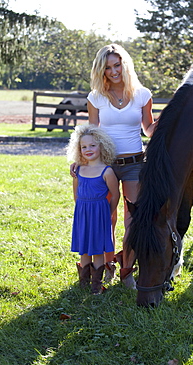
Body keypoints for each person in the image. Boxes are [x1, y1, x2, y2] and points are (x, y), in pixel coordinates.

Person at [70, 44, 156, 288]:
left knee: (133, 217)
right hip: (104, 165)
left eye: (117, 65)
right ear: (102, 70)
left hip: (134, 164)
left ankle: (127, 270)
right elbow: (92, 132)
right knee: (106, 216)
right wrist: (80, 159)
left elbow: (147, 129)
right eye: (107, 67)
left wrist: (161, 125)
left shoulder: (142, 94)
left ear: (125, 64)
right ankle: (106, 265)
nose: (113, 71)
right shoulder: (95, 97)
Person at [67, 124, 120, 294]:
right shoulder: (79, 170)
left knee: (97, 249)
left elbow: (115, 194)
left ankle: (96, 286)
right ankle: (83, 283)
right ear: (79, 149)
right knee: (84, 248)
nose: (88, 149)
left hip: (100, 214)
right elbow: (76, 194)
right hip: (83, 214)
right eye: (84, 147)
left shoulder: (107, 171)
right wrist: (82, 210)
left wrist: (107, 213)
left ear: (101, 146)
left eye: (92, 145)